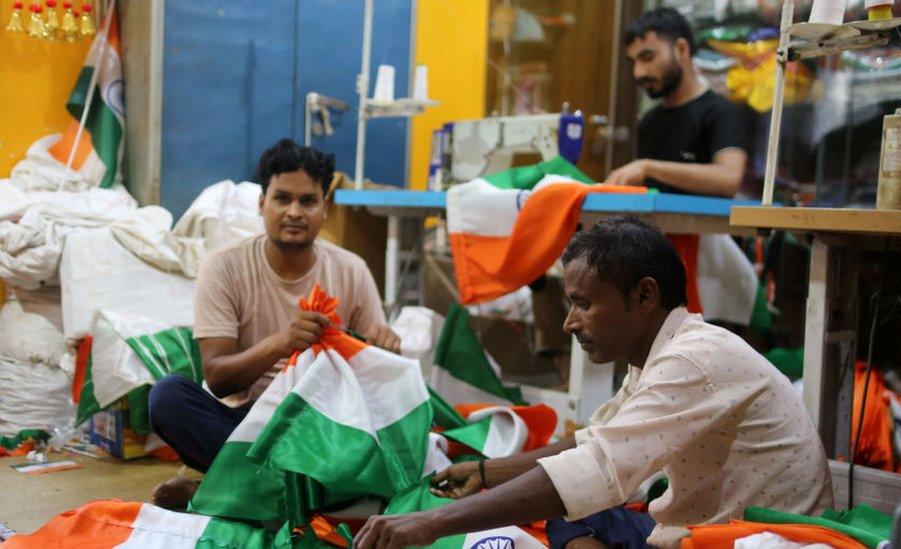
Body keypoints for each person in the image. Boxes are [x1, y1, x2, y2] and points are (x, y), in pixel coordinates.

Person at [354, 216, 832, 549]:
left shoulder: (693, 361)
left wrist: (429, 524)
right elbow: (589, 446)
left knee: (572, 501)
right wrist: (484, 474)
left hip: (752, 542)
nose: (569, 323)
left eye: (583, 303)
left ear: (644, 295)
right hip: (715, 530)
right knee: (571, 507)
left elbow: (595, 467)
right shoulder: (662, 352)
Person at [147, 139, 400, 502]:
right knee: (168, 397)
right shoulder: (225, 267)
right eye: (282, 198)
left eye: (308, 201)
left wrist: (384, 346)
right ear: (262, 203)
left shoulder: (351, 269)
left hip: (324, 423)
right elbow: (217, 378)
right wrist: (282, 343)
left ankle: (226, 493)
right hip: (247, 426)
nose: (294, 212)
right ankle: (287, 494)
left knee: (385, 437)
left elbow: (375, 375)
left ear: (324, 208)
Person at [605, 8, 748, 198]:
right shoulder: (649, 122)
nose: (638, 73)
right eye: (634, 62)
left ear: (681, 49)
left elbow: (729, 179)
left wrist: (648, 167)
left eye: (647, 57)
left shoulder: (721, 112)